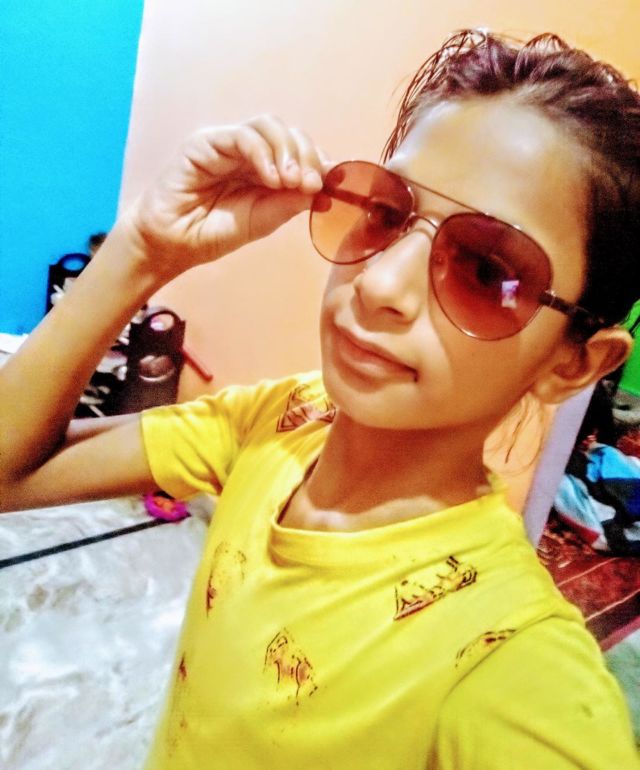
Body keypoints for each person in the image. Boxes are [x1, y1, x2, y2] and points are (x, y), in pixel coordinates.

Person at [1, 28, 639, 769]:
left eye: (487, 270)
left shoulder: (504, 665)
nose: (379, 283)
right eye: (388, 214)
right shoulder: (283, 421)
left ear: (573, 364)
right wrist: (142, 249)